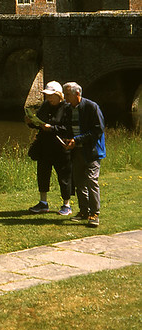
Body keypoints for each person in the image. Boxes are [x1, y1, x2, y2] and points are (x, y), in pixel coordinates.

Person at [25, 81, 73, 215]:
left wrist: (51, 128)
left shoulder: (67, 108)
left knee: (64, 176)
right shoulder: (45, 106)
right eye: (47, 95)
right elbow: (39, 123)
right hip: (44, 146)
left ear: (59, 95)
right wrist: (31, 122)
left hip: (61, 147)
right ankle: (43, 203)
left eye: (52, 95)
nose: (49, 98)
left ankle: (66, 205)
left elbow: (68, 128)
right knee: (43, 174)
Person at [63, 82, 106, 228]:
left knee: (91, 182)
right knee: (79, 182)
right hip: (77, 151)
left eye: (67, 94)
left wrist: (77, 140)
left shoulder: (92, 107)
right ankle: (83, 211)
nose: (65, 97)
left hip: (92, 151)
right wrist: (68, 140)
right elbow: (68, 128)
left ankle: (94, 214)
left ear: (77, 94)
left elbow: (98, 130)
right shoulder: (68, 109)